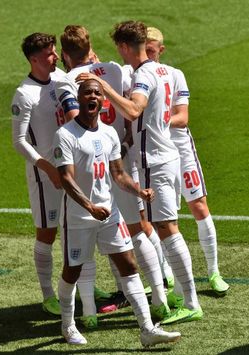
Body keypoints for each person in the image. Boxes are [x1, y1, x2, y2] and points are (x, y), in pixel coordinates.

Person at [76, 20, 203, 324]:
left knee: (167, 229)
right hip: (166, 156)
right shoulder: (160, 70)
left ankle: (190, 301)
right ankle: (180, 295)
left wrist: (103, 86)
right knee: (164, 228)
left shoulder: (144, 74)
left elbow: (134, 110)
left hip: (155, 162)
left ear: (123, 47)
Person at [53, 78, 181, 347]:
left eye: (97, 93)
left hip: (109, 214)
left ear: (103, 101)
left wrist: (139, 192)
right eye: (87, 92)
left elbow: (118, 173)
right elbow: (65, 177)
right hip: (79, 219)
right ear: (80, 99)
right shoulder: (66, 135)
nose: (93, 96)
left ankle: (146, 329)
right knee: (72, 272)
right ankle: (68, 325)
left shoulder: (109, 133)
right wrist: (89, 206)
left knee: (129, 266)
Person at [56, 25, 171, 322]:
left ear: (65, 55)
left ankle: (89, 313)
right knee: (139, 231)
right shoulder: (115, 69)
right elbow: (131, 104)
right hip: (122, 156)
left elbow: (76, 121)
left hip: (93, 166)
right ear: (90, 46)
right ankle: (159, 300)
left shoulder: (67, 79)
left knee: (87, 242)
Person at [11, 32, 104, 318]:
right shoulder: (24, 93)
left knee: (77, 229)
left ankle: (83, 283)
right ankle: (48, 295)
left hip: (71, 169)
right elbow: (19, 141)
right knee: (48, 234)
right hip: (45, 176)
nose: (56, 56)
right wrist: (46, 167)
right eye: (51, 54)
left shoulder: (62, 79)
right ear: (35, 58)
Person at [145, 27, 230, 298]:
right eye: (143, 48)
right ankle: (167, 274)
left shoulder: (174, 74)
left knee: (198, 205)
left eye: (152, 48)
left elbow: (182, 117)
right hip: (155, 153)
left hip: (180, 148)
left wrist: (155, 122)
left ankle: (214, 271)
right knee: (160, 216)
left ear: (161, 49)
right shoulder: (135, 76)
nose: (148, 52)